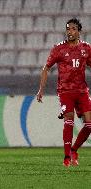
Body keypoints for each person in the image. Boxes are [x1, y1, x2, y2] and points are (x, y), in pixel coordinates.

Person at [36, 18, 91, 167]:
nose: (70, 32)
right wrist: (41, 90)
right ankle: (67, 157)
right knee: (69, 120)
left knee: (89, 124)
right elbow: (46, 68)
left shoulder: (86, 48)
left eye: (73, 29)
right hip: (65, 91)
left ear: (79, 31)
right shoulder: (59, 49)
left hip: (82, 91)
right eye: (68, 29)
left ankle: (74, 149)